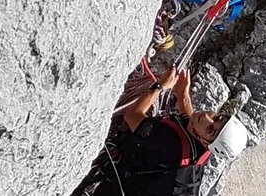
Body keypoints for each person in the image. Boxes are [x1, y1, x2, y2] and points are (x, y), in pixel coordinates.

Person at [71, 67, 250, 196]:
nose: (207, 119)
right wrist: (183, 96)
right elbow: (192, 125)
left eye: (211, 129)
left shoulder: (168, 142)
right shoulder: (204, 146)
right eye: (218, 117)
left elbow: (132, 116)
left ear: (206, 142)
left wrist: (160, 86)